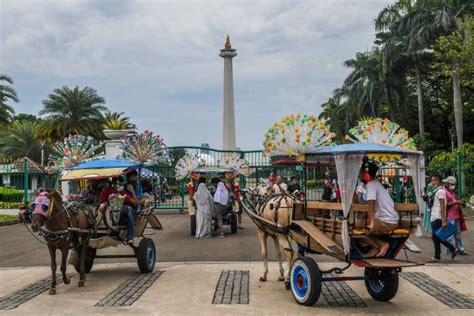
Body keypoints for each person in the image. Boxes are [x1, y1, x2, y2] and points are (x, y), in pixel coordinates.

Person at [363, 162, 399, 258]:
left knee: (356, 230)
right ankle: (376, 247)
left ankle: (380, 245)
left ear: (365, 173)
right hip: (390, 220)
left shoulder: (371, 184)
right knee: (360, 225)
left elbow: (371, 204)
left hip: (386, 222)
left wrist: (371, 224)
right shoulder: (376, 183)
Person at [427, 175, 458, 262]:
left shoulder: (440, 191)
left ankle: (438, 256)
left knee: (435, 236)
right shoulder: (437, 190)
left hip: (438, 217)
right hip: (435, 216)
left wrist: (444, 220)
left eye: (433, 181)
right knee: (436, 236)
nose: (432, 183)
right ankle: (451, 250)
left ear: (437, 181)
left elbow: (442, 206)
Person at [443, 176, 469, 256]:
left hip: (456, 215)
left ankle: (460, 250)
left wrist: (460, 202)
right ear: (447, 183)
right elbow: (445, 205)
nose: (453, 185)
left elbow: (454, 201)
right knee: (449, 235)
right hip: (449, 216)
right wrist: (456, 202)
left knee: (458, 235)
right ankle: (450, 250)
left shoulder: (452, 191)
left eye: (454, 184)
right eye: (452, 184)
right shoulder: (443, 191)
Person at [119, 179, 146, 244]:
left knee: (129, 211)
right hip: (115, 214)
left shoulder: (124, 193)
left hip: (124, 213)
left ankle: (130, 236)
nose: (118, 186)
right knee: (128, 210)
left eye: (120, 184)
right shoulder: (108, 191)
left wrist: (133, 192)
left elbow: (134, 202)